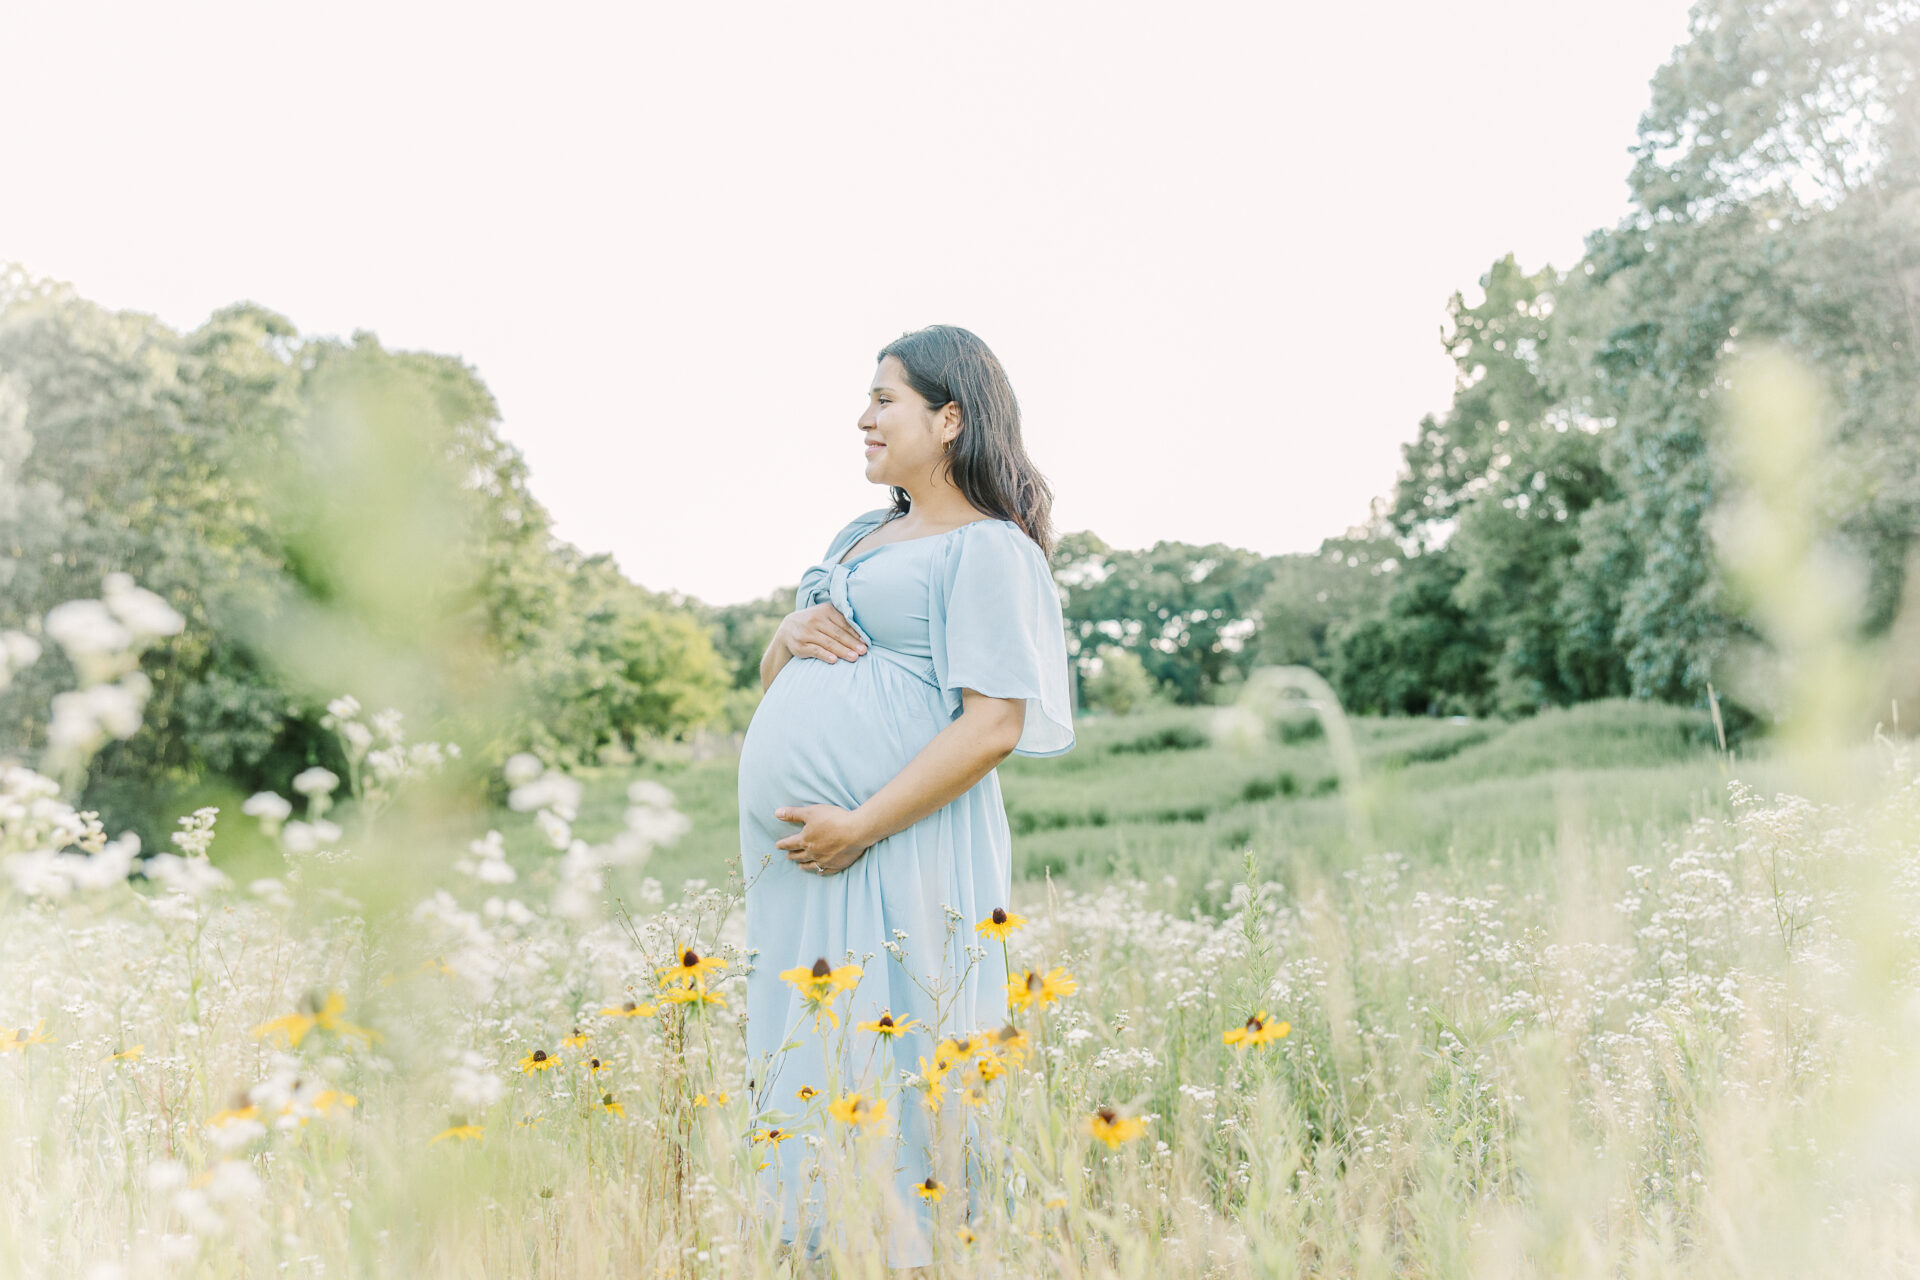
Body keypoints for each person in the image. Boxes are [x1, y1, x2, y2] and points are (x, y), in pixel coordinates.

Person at [736, 324, 1076, 1269]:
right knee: (812, 1041)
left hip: (893, 841)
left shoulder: (989, 551)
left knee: (899, 1038)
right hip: (813, 856)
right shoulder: (861, 538)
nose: (864, 417)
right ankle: (818, 1244)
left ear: (951, 417)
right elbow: (783, 674)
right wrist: (788, 630)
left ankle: (917, 1253)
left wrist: (859, 825)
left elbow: (994, 722)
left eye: (885, 399)